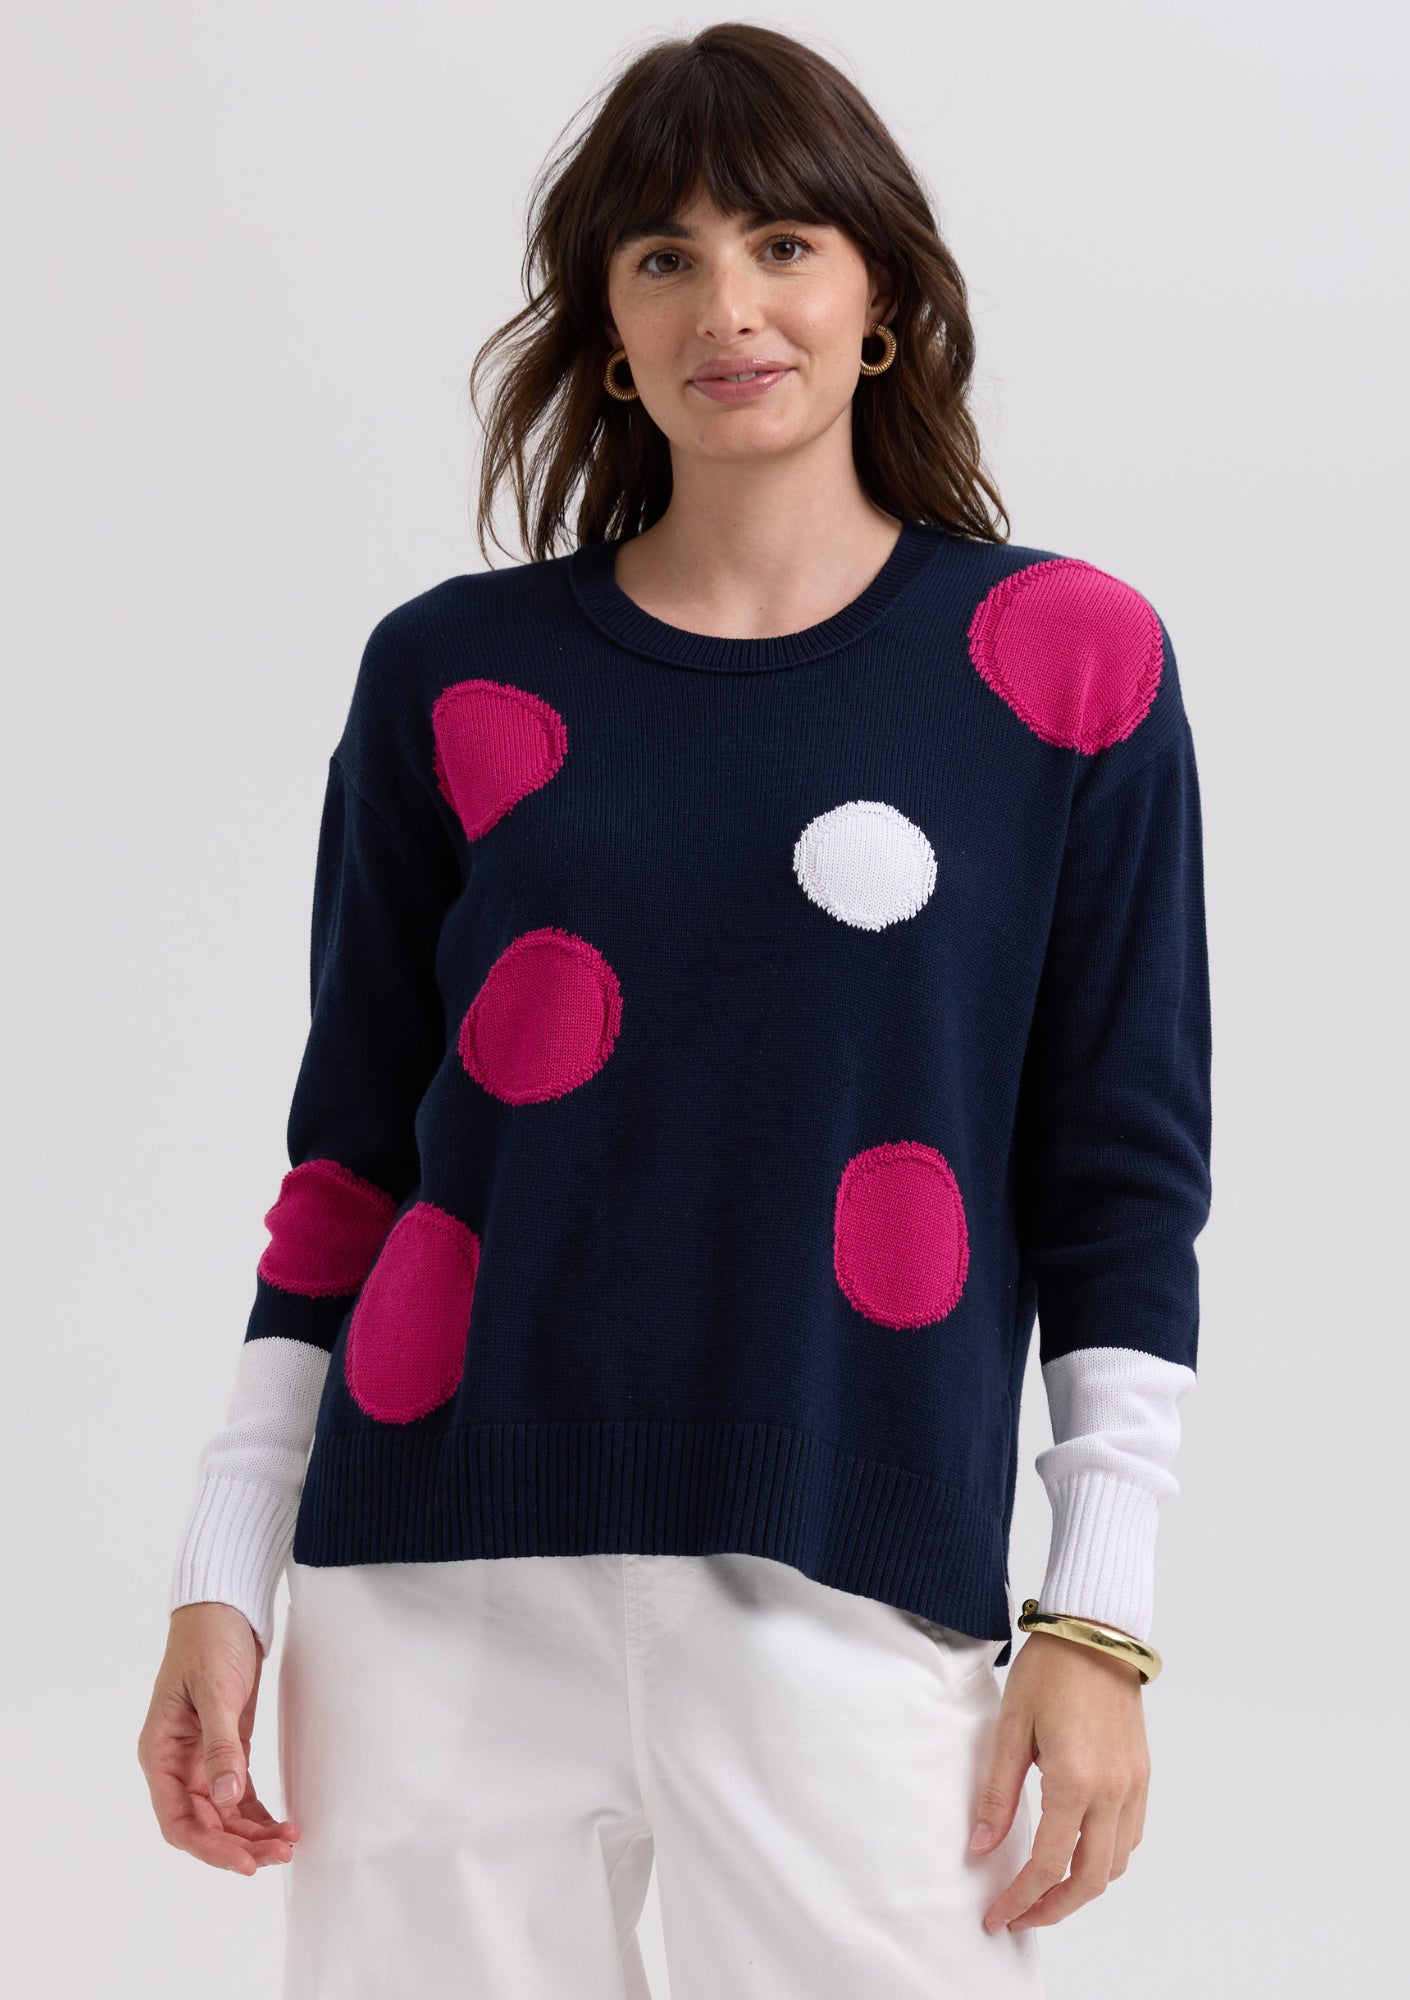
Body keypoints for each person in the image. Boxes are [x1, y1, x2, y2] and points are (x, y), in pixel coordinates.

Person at [138, 22, 1211, 1998]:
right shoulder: (445, 675)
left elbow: (1119, 1182)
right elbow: (348, 1157)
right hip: (431, 1580)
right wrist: (226, 1568)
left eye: (784, 244)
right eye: (664, 257)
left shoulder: (1064, 662)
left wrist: (1097, 1615)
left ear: (882, 297)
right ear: (610, 331)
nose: (729, 306)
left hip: (843, 1568)